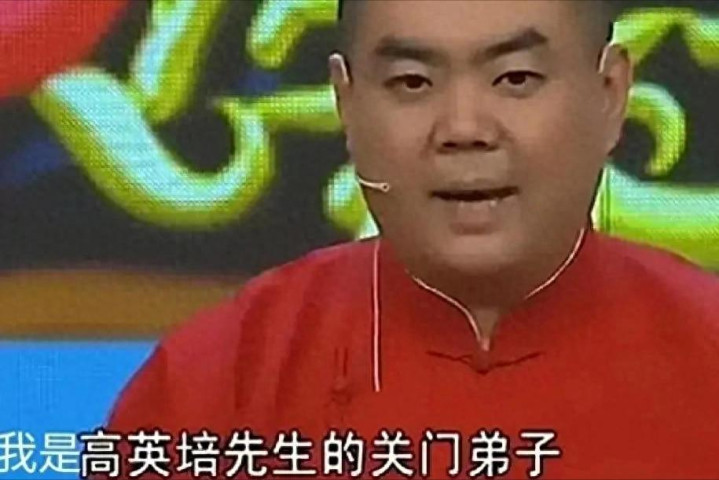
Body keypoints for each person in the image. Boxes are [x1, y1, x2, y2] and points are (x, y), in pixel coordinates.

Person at [102, 1, 719, 478]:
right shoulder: (217, 385)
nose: (464, 129)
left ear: (610, 95)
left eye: (515, 78)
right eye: (412, 83)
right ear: (346, 104)